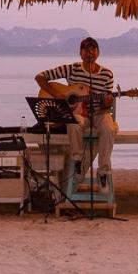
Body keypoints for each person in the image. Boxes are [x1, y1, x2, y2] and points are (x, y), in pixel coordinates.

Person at [35, 37, 117, 185]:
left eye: (93, 49)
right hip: (79, 113)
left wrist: (107, 102)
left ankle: (103, 172)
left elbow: (106, 105)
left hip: (99, 113)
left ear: (98, 52)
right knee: (73, 123)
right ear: (80, 53)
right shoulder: (71, 69)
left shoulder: (107, 74)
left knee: (109, 129)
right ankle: (78, 160)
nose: (89, 52)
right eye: (86, 49)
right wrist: (57, 95)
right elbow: (40, 77)